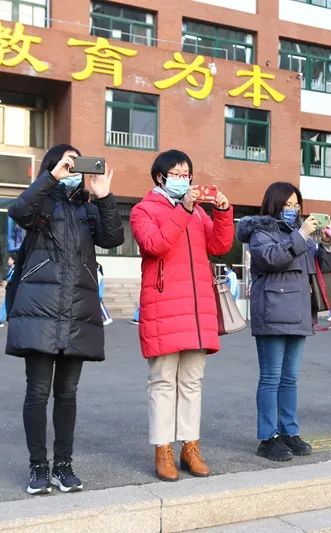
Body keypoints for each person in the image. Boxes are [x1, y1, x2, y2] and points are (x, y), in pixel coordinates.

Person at [6, 144, 123, 495]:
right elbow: (18, 211)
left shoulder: (88, 208)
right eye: (66, 164)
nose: (73, 170)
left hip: (77, 312)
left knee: (67, 394)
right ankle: (38, 467)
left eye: (76, 164)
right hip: (40, 309)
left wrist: (104, 197)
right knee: (38, 392)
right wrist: (51, 178)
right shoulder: (41, 202)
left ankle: (63, 465)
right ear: (53, 166)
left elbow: (113, 238)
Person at [130, 149, 234, 482]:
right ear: (160, 177)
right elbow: (155, 244)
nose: (182, 179)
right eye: (175, 174)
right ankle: (163, 449)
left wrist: (223, 212)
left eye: (186, 174)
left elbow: (219, 246)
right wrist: (184, 210)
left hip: (197, 308)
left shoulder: (199, 213)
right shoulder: (143, 210)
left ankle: (191, 446)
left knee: (192, 382)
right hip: (163, 307)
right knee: (162, 381)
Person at [237, 182, 331, 462]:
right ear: (275, 204)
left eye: (296, 205)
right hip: (272, 311)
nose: (293, 209)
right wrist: (302, 235)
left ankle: (289, 431)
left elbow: (321, 266)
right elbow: (272, 258)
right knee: (271, 378)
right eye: (288, 204)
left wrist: (326, 243)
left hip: (299, 312)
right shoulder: (260, 232)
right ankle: (268, 437)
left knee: (290, 378)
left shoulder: (299, 233)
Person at [0, 255, 16, 328]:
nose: (8, 261)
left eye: (9, 260)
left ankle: (1, 320)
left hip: (12, 290)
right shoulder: (11, 269)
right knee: (6, 304)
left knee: (5, 304)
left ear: (13, 261)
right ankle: (1, 320)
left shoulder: (15, 269)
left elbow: (11, 278)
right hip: (10, 289)